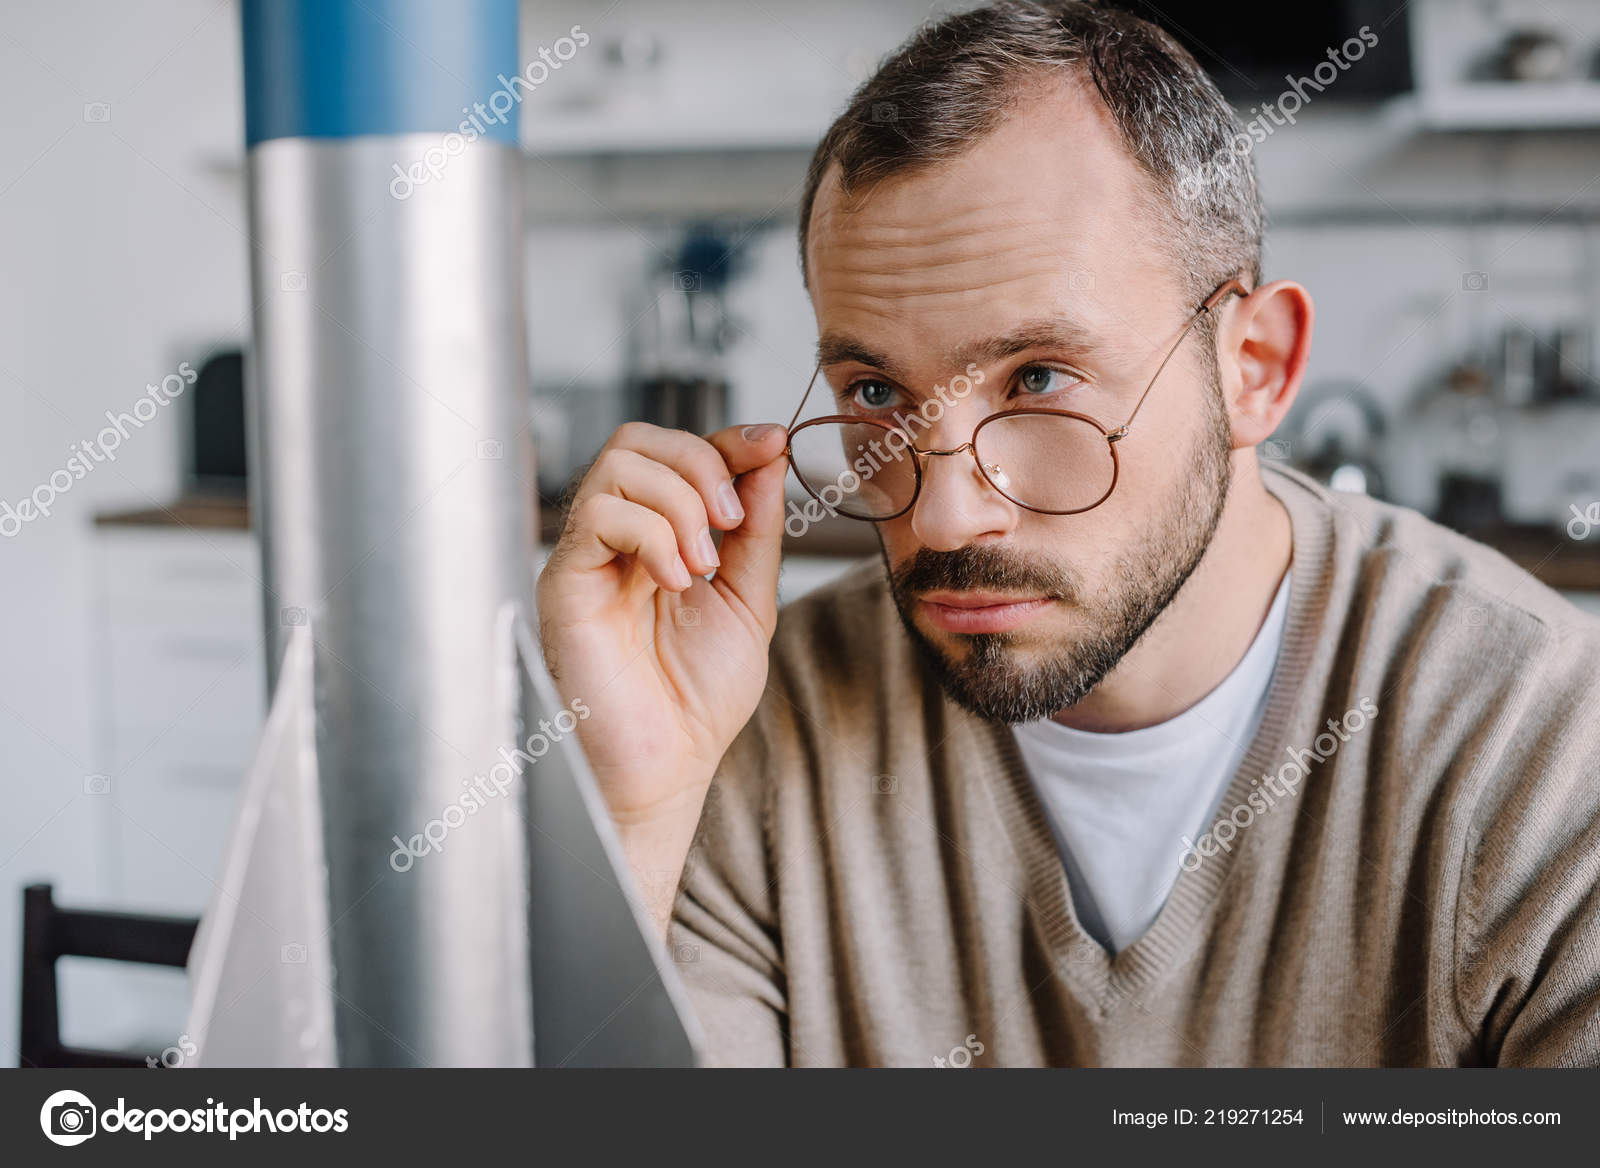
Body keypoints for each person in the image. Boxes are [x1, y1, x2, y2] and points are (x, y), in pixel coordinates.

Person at [536, 1, 1600, 1066]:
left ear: (1255, 369)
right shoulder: (750, 722)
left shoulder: (1539, 743)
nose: (946, 513)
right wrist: (631, 817)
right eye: (873, 389)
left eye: (1037, 379)